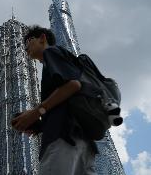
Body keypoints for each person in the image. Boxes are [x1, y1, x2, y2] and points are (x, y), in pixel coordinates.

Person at [11, 25, 97, 175]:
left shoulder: (50, 52)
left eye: (29, 41)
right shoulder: (60, 60)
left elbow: (73, 85)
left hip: (62, 139)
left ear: (42, 38)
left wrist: (35, 113)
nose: (26, 48)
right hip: (81, 141)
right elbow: (66, 103)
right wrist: (38, 125)